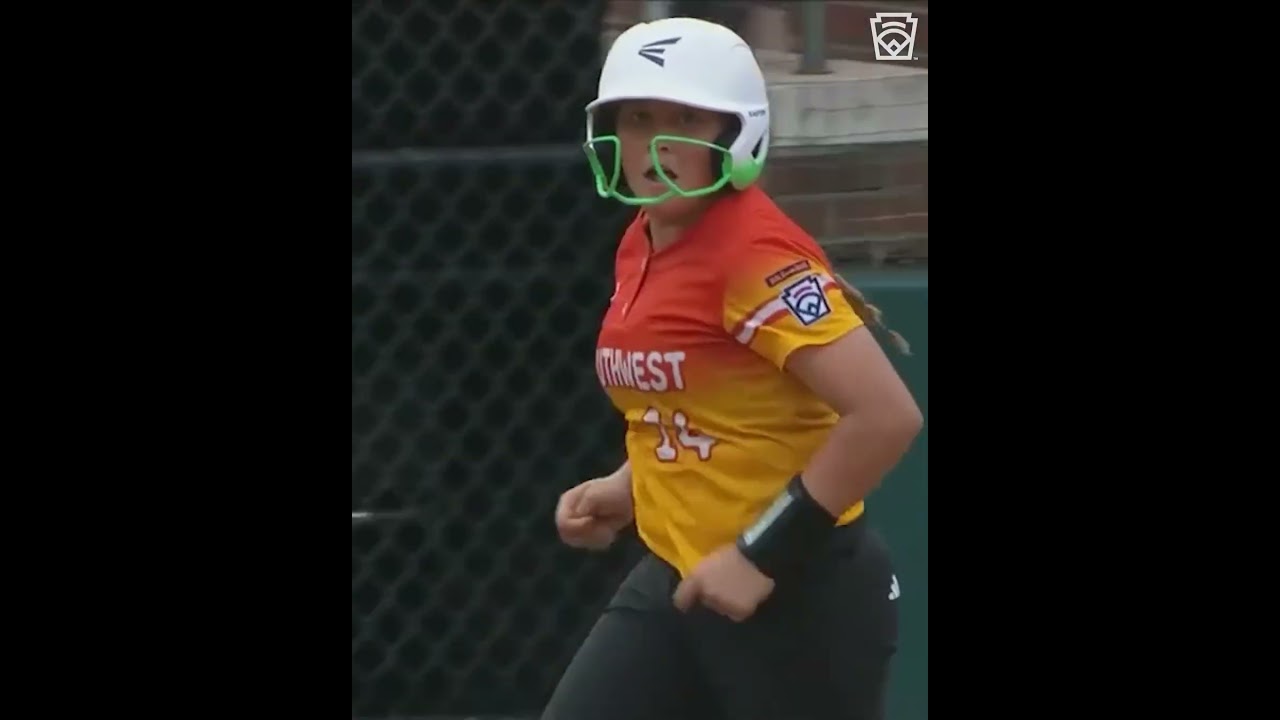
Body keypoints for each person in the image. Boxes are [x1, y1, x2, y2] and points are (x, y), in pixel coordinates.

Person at [544, 16, 924, 720]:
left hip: (798, 594)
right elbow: (704, 403)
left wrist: (758, 555)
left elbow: (886, 417)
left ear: (735, 134)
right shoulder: (644, 238)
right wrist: (630, 486)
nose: (657, 143)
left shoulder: (755, 256)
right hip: (679, 573)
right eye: (638, 118)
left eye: (686, 119)